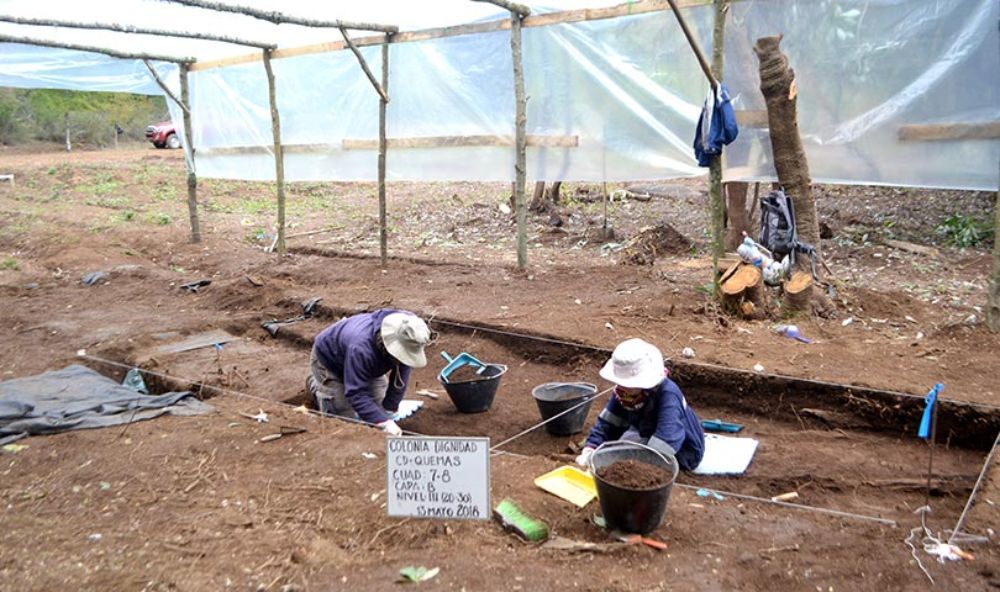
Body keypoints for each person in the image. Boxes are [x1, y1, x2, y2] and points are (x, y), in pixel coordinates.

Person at [576, 338, 705, 471]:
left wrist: (634, 467)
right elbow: (608, 424)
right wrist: (590, 449)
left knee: (619, 459)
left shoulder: (668, 395)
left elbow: (667, 441)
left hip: (683, 450)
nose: (623, 388)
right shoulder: (623, 392)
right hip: (647, 433)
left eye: (628, 385)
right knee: (612, 452)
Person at [308, 309, 433, 436]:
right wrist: (384, 422)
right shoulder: (361, 348)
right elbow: (355, 393)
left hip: (363, 364)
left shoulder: (409, 329)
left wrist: (390, 407)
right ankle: (316, 386)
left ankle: (350, 381)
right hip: (330, 361)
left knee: (377, 408)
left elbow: (403, 369)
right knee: (344, 419)